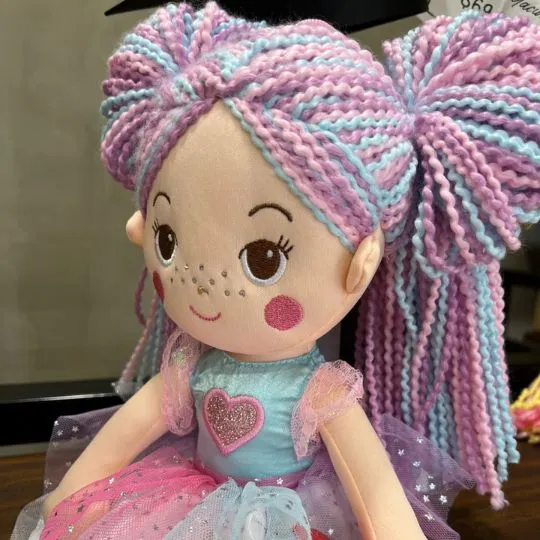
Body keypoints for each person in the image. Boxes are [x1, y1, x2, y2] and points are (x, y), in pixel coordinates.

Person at [12, 3, 540, 539]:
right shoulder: (189, 365)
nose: (201, 282)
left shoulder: (319, 391)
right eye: (166, 241)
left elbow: (375, 491)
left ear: (360, 264)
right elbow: (122, 437)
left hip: (291, 513)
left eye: (265, 258)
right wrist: (68, 501)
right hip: (187, 504)